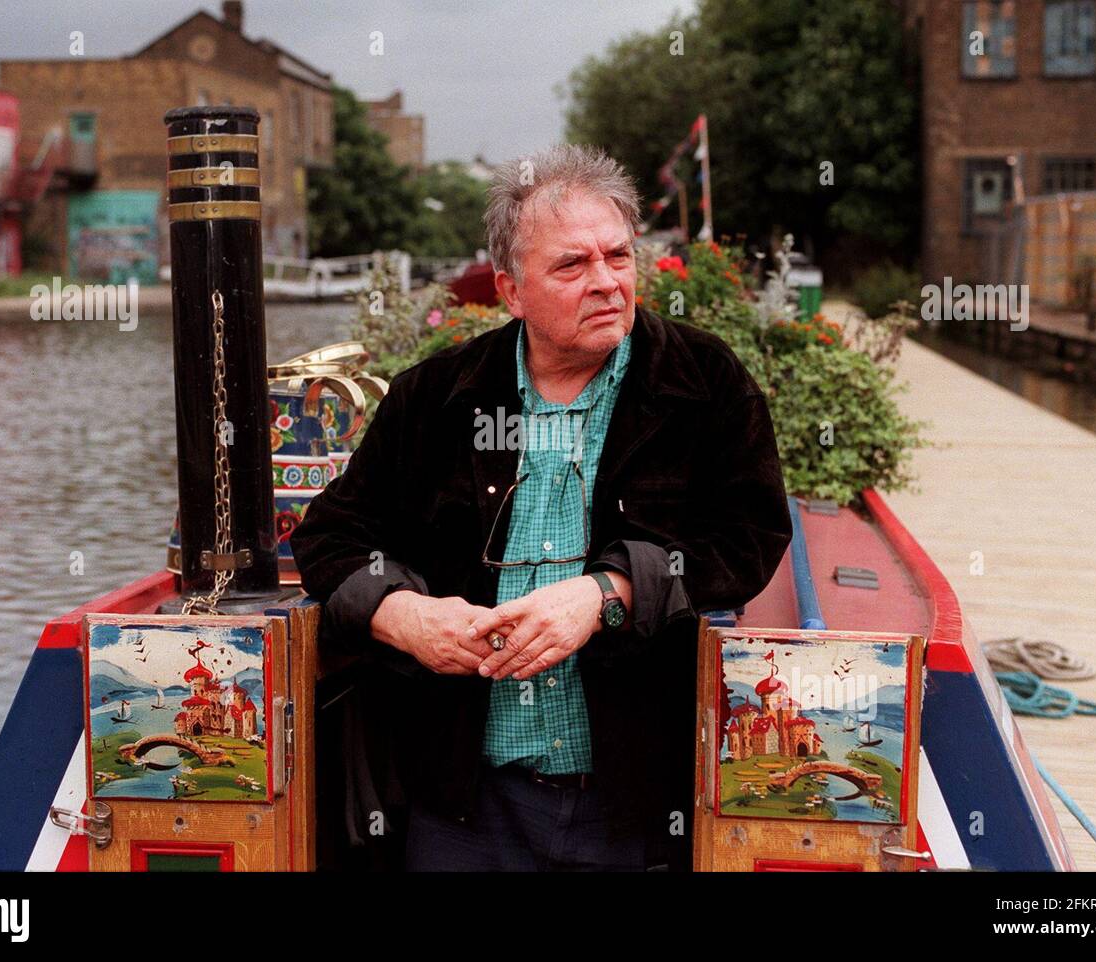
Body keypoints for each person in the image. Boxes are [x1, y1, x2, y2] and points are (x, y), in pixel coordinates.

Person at [290, 143, 791, 871]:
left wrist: (609, 593)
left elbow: (749, 538)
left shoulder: (703, 384)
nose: (608, 284)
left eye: (618, 257)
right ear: (510, 290)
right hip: (464, 805)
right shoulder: (436, 398)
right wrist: (405, 617)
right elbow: (331, 537)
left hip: (640, 804)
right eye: (572, 265)